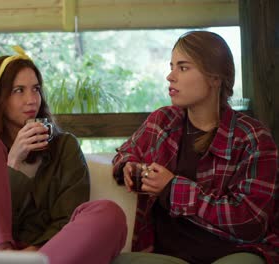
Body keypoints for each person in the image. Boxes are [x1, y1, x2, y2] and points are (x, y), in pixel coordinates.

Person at [111, 31, 279, 264]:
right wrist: (126, 167)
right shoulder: (163, 121)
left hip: (233, 253)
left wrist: (172, 188)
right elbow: (125, 153)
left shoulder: (253, 137)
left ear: (214, 78)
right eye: (171, 66)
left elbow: (250, 220)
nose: (170, 76)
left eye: (183, 67)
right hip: (166, 256)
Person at [0, 46, 127, 264]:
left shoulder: (65, 147)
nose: (31, 99)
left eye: (35, 89)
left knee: (109, 214)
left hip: (48, 257)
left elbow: (67, 222)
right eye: (19, 90)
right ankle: (1, 256)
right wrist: (13, 162)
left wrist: (31, 256)